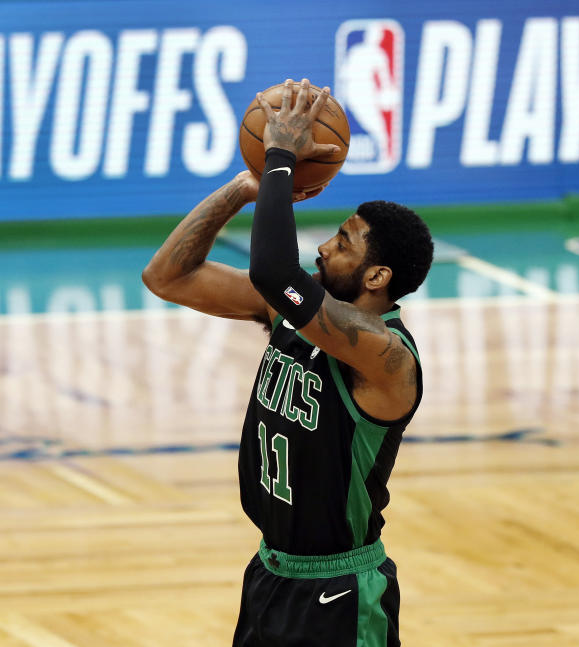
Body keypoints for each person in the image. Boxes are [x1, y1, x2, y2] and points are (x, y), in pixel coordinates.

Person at [142, 78, 433, 647]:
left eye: (344, 243)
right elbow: (167, 277)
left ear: (377, 278)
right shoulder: (293, 317)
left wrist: (280, 157)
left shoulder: (384, 357)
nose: (324, 247)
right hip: (269, 575)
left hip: (340, 596)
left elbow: (274, 272)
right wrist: (243, 188)